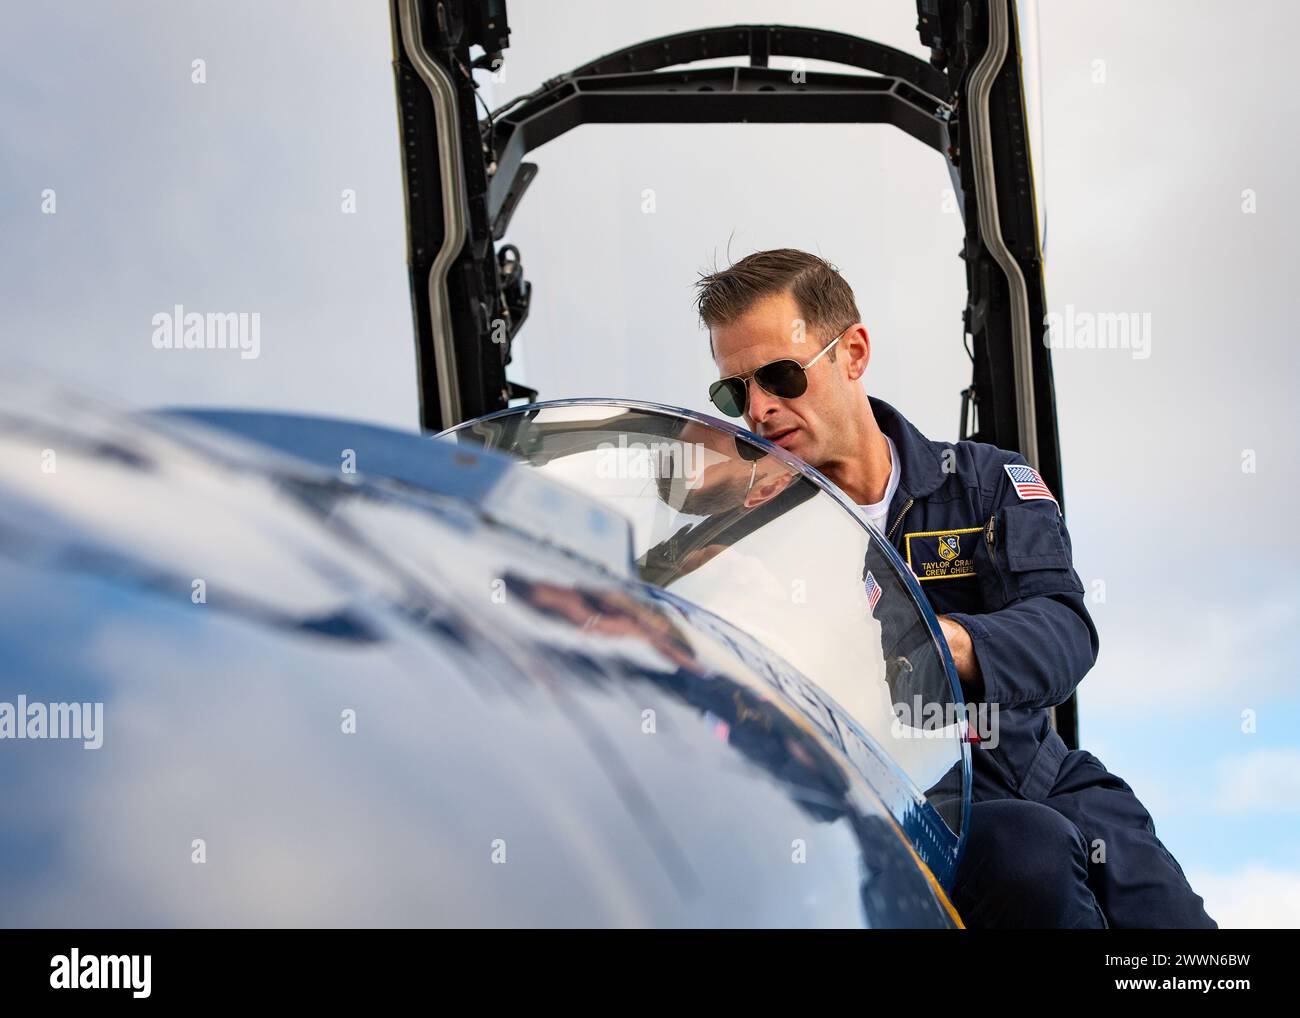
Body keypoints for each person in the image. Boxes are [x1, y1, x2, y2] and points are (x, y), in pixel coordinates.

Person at [693, 247, 1216, 929]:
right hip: (893, 827)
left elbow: (1064, 631)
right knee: (1025, 856)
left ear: (853, 352)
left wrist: (949, 644)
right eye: (735, 394)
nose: (760, 410)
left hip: (1044, 780)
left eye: (781, 376)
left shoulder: (986, 483)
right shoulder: (748, 550)